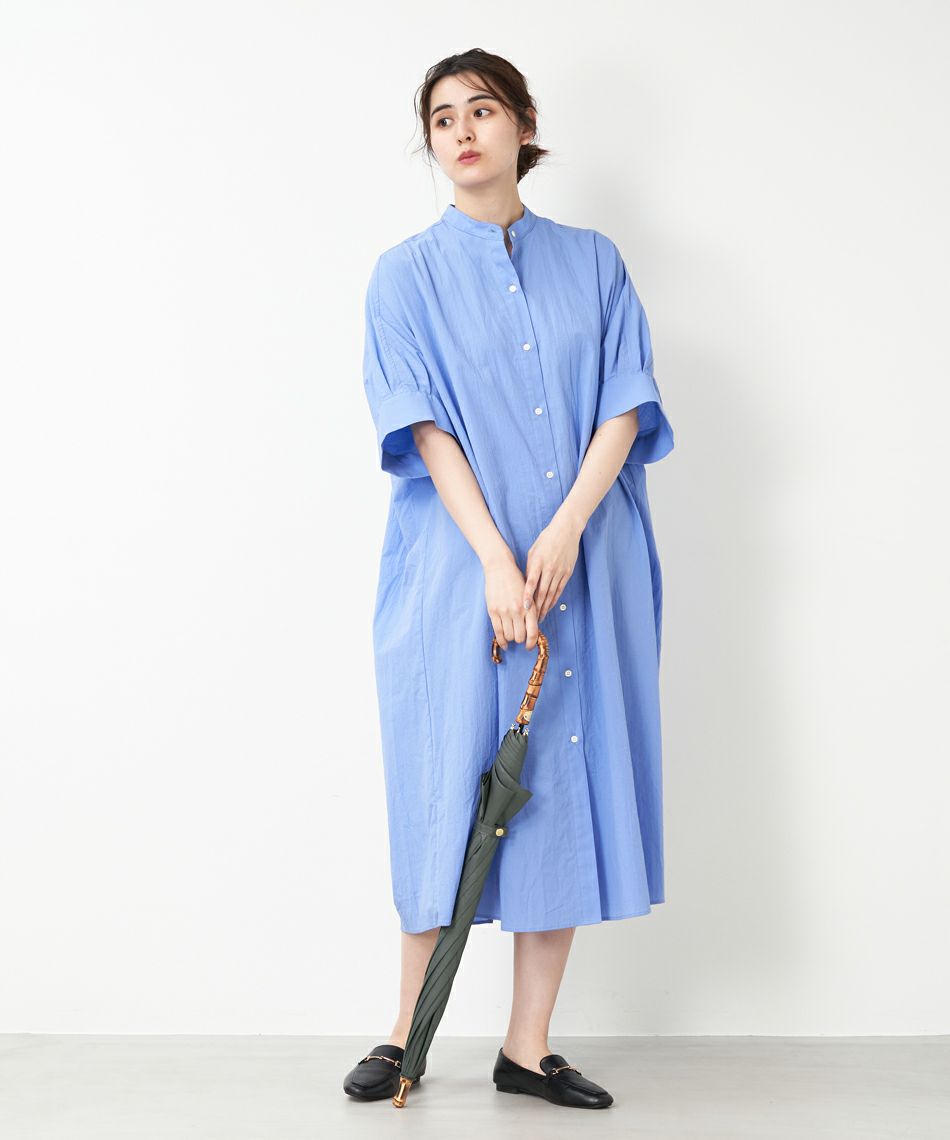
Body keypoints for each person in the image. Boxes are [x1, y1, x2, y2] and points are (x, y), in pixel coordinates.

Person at [343, 48, 674, 1110]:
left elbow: (623, 399)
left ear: (522, 123)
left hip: (584, 561)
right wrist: (495, 555)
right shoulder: (404, 276)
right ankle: (405, 1034)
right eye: (441, 118)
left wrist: (567, 528)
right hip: (454, 569)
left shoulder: (594, 261)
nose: (461, 131)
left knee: (558, 776)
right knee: (447, 781)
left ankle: (527, 1048)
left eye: (480, 110)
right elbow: (423, 426)